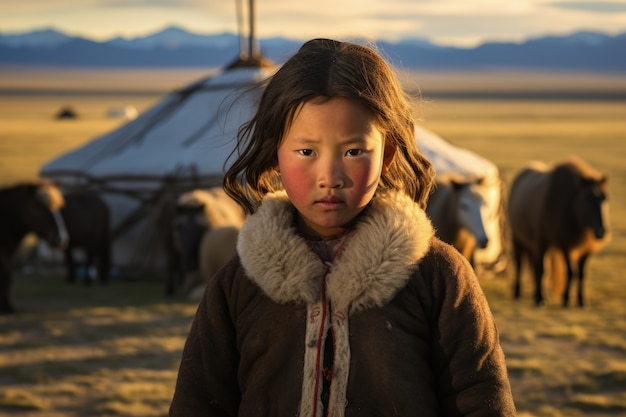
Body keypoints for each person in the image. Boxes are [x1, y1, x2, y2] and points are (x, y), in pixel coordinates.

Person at [169, 38, 516, 417]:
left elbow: (482, 401)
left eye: (354, 151)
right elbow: (198, 403)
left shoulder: (438, 276)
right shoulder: (237, 285)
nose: (329, 177)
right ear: (274, 155)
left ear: (388, 156)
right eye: (306, 152)